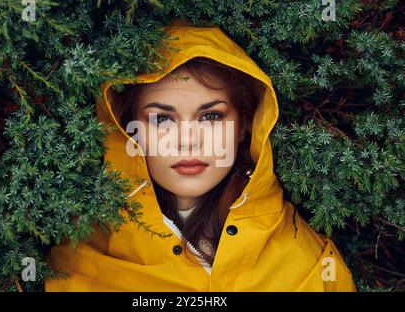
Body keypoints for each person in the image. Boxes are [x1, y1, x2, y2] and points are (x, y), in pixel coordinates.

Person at [45, 19, 356, 291]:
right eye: (161, 119)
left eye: (210, 117)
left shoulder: (308, 262)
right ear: (128, 131)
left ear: (243, 126)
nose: (187, 142)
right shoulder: (80, 258)